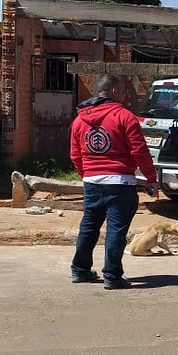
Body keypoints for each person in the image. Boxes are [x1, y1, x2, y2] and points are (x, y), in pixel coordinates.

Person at [69, 74, 158, 290]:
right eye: (124, 92)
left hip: (92, 182)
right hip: (120, 183)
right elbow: (139, 150)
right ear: (115, 92)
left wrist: (86, 174)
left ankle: (79, 270)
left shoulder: (79, 120)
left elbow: (75, 154)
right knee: (116, 230)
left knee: (89, 227)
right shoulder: (125, 116)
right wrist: (151, 178)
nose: (126, 96)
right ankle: (112, 276)